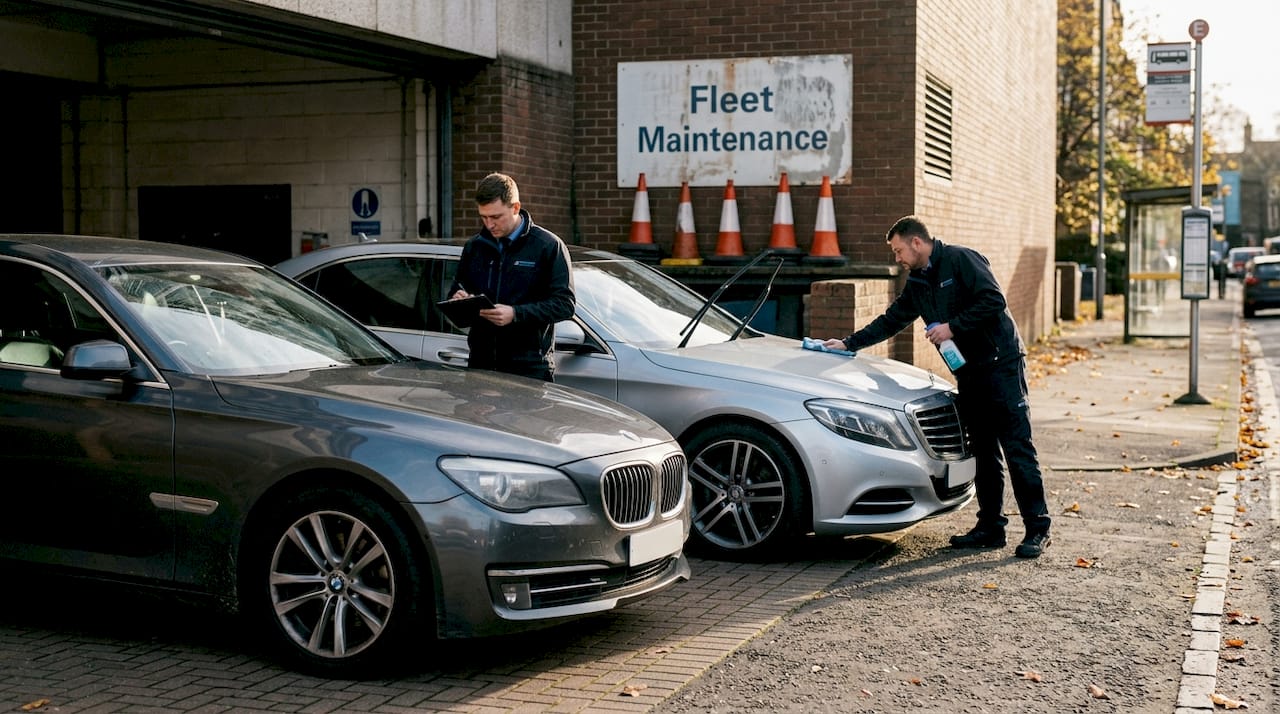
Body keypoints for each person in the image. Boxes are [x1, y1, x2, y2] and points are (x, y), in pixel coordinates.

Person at [822, 215, 1052, 558]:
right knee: (984, 454)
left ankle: (1038, 529)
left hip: (1001, 365)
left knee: (1017, 449)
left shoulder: (961, 259)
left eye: (899, 250)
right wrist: (848, 343)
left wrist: (951, 327)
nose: (897, 258)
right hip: (970, 372)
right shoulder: (918, 280)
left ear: (917, 242)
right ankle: (991, 527)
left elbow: (993, 301)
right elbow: (893, 319)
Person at [448, 173, 574, 382]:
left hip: (529, 369)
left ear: (515, 208)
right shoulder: (474, 247)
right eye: (483, 217)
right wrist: (459, 300)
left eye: (496, 217)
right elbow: (457, 290)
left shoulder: (548, 246)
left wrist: (515, 313)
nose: (489, 224)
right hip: (481, 366)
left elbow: (565, 305)